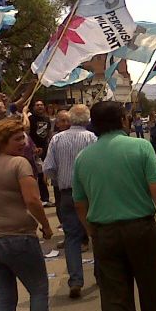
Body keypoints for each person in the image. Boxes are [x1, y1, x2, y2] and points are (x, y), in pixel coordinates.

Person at [73, 101, 156, 311]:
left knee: (114, 301)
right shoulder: (140, 147)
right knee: (153, 294)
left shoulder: (83, 157)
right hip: (141, 230)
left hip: (105, 234)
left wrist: (91, 231)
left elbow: (79, 202)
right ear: (122, 120)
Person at [0, 118, 71, 311]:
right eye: (17, 138)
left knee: (4, 297)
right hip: (18, 236)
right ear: (1, 141)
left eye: (23, 137)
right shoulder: (19, 164)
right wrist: (45, 225)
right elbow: (33, 200)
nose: (22, 142)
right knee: (37, 289)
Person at [42, 104, 97, 299]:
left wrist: (58, 180)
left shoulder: (57, 139)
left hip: (66, 193)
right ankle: (100, 273)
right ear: (87, 119)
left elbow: (48, 168)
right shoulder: (92, 138)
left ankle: (75, 280)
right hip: (90, 193)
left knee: (72, 238)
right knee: (96, 233)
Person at [29, 100, 53, 205]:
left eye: (42, 105)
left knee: (44, 174)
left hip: (45, 150)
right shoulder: (30, 119)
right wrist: (34, 147)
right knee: (36, 175)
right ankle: (37, 198)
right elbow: (28, 134)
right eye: (37, 105)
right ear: (33, 107)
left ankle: (45, 198)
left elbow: (47, 134)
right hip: (34, 150)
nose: (40, 107)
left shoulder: (46, 119)